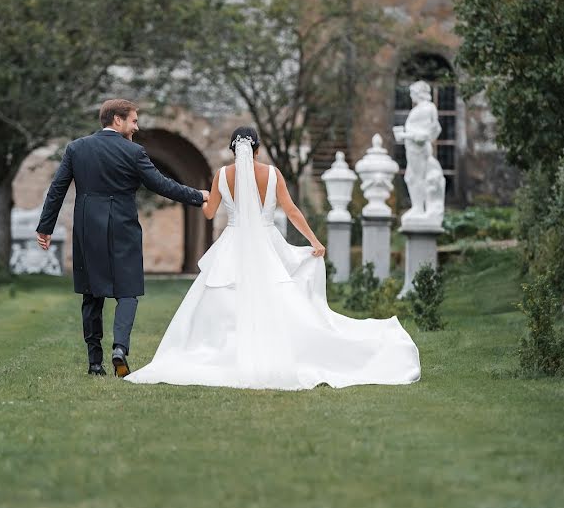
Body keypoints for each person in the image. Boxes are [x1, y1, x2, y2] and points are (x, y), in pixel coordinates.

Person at [125, 127, 421, 390]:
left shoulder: (222, 176)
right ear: (257, 148)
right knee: (277, 297)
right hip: (267, 243)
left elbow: (210, 213)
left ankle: (226, 352)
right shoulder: (272, 174)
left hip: (233, 243)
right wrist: (314, 241)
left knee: (224, 297)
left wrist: (205, 197)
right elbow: (292, 211)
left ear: (232, 149)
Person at [35, 99, 210, 377]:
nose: (136, 128)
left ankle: (95, 363)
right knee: (127, 291)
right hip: (122, 226)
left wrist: (45, 226)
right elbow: (161, 185)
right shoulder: (134, 152)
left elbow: (57, 189)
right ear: (117, 120)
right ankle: (119, 349)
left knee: (91, 295)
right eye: (134, 121)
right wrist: (197, 195)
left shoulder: (76, 149)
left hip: (87, 227)